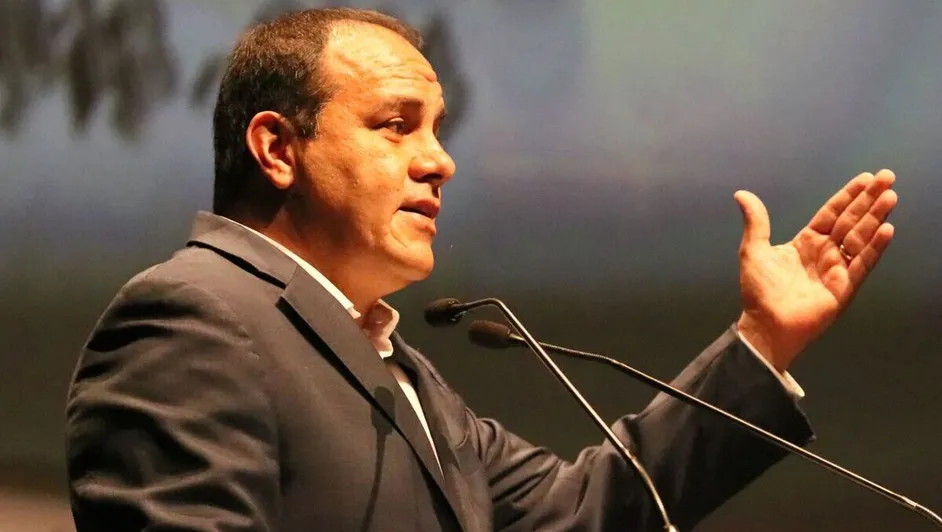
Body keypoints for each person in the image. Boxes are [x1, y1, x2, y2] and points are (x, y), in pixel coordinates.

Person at [65, 7, 898, 532]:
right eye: (396, 125)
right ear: (279, 148)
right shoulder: (193, 318)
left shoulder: (402, 373)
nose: (441, 162)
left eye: (437, 128)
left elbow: (587, 511)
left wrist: (762, 340)